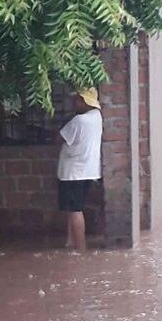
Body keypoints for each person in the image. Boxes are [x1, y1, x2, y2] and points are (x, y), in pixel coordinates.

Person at [58, 87, 103, 250]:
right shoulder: (97, 117)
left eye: (77, 100)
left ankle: (80, 248)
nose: (74, 103)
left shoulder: (79, 121)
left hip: (73, 173)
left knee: (75, 210)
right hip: (88, 171)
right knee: (74, 208)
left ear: (85, 101)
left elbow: (60, 137)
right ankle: (70, 242)